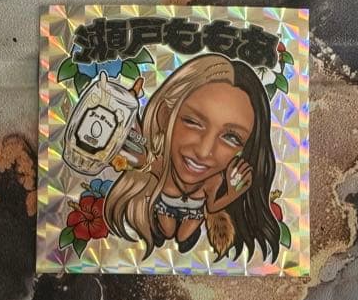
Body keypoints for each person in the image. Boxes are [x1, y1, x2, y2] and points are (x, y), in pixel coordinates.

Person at [103, 53, 280, 262]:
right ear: (164, 115)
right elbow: (146, 164)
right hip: (162, 207)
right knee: (167, 230)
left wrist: (232, 193)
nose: (204, 152)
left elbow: (212, 206)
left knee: (183, 236)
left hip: (195, 214)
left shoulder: (216, 181)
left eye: (231, 137)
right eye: (193, 122)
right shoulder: (160, 166)